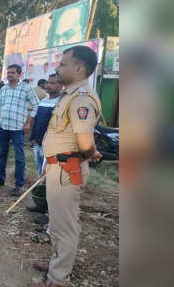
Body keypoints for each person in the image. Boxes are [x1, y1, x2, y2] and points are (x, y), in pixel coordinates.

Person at [32, 46, 102, 287]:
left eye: (63, 64)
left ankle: (59, 277)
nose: (57, 67)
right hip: (58, 168)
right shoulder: (69, 94)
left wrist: (92, 153)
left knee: (65, 226)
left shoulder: (81, 97)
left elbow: (84, 141)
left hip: (67, 170)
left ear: (79, 68)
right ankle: (57, 263)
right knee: (58, 223)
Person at [0, 64, 39, 197]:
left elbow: (36, 105)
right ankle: (0, 178)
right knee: (2, 154)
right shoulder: (4, 89)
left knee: (19, 157)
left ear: (19, 74)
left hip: (18, 129)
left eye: (12, 73)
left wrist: (28, 122)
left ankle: (19, 185)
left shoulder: (26, 89)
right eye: (8, 73)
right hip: (3, 127)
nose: (9, 75)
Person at [30, 73, 62, 178]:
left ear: (61, 85)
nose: (48, 85)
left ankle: (47, 192)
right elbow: (37, 120)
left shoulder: (61, 103)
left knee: (48, 173)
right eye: (48, 82)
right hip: (38, 143)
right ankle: (41, 190)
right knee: (39, 171)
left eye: (53, 83)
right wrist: (33, 137)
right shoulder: (43, 101)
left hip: (50, 146)